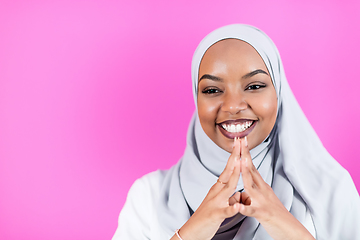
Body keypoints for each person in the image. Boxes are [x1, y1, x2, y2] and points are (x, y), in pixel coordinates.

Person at [112, 24, 360, 240]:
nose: (232, 106)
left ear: (279, 93)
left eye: (254, 86)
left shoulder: (329, 191)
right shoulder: (149, 196)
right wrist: (192, 232)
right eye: (211, 90)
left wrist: (285, 226)